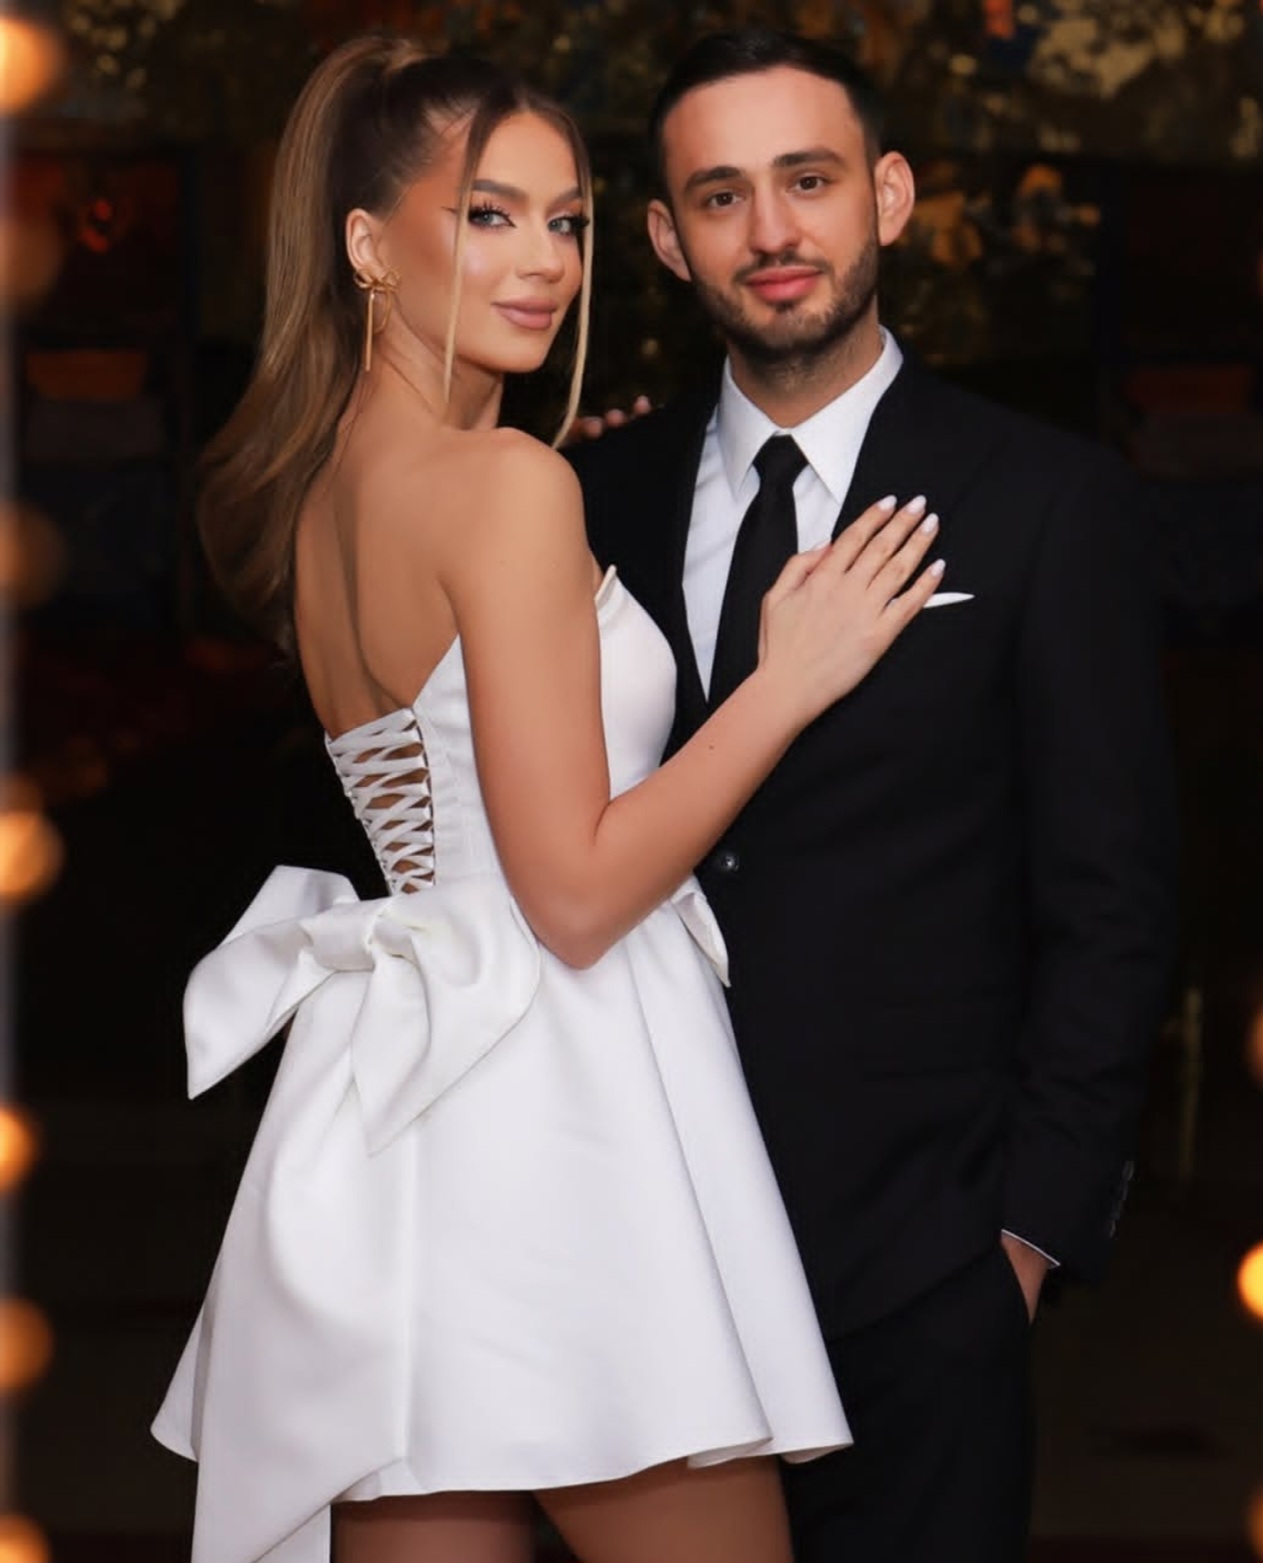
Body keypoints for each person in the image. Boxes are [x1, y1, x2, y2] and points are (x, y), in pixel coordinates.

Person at [149, 35, 948, 1563]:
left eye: (567, 221)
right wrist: (787, 679)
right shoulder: (507, 487)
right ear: (368, 245)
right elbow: (572, 896)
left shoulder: (328, 494)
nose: (544, 263)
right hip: (561, 1092)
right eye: (489, 215)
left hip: (402, 1106)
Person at [567, 27, 1179, 1563]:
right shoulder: (585, 501)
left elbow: (1113, 900)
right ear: (668, 240)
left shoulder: (1046, 501)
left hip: (922, 1279)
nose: (772, 231)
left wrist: (1023, 1241)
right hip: (630, 1256)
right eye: (721, 196)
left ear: (889, 197)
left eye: (811, 180)